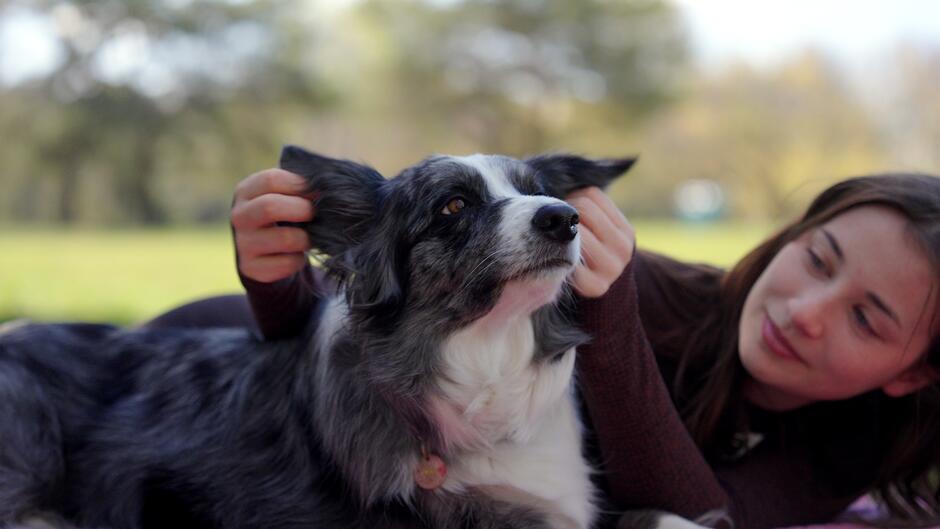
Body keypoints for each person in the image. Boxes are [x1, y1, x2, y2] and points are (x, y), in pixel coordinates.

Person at [149, 167, 940, 528]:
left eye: (867, 319)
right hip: (215, 355)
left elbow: (706, 514)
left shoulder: (846, 445)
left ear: (913, 373)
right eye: (817, 258)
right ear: (791, 235)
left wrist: (607, 324)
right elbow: (373, 316)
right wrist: (272, 281)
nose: (805, 310)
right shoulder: (661, 291)